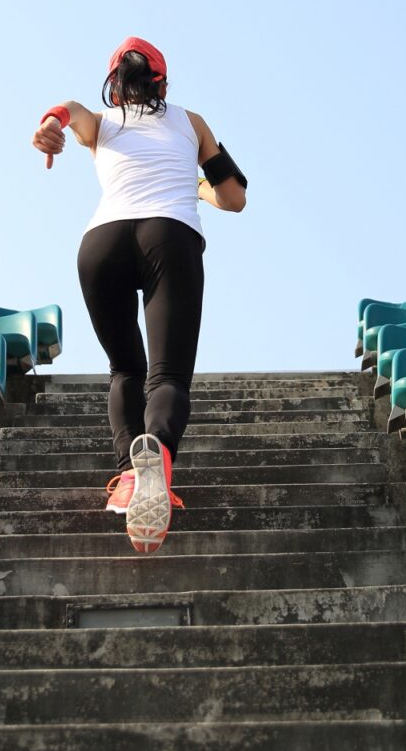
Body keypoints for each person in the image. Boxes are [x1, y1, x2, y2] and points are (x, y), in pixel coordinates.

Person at [32, 37, 247, 553]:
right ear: (163, 84)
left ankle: (130, 474)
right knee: (167, 374)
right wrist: (195, 185)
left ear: (115, 86)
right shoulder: (190, 122)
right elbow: (234, 196)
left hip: (100, 241)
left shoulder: (101, 124)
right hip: (167, 236)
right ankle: (159, 456)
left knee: (125, 369)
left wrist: (50, 126)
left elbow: (68, 112)